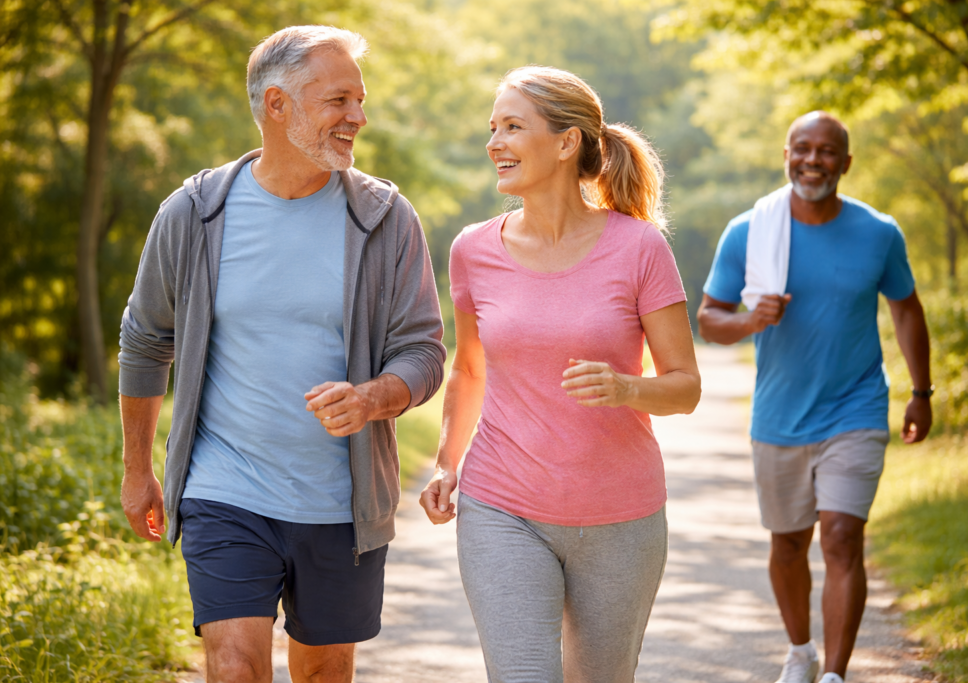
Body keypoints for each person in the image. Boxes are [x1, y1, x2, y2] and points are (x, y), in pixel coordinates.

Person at [118, 26, 445, 683]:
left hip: (339, 501)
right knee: (234, 665)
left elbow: (423, 349)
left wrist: (372, 396)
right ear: (277, 105)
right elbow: (147, 338)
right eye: (339, 100)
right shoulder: (194, 214)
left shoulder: (385, 219)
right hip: (225, 489)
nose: (358, 116)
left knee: (324, 670)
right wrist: (137, 468)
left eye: (360, 99)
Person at [419, 66, 702, 683]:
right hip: (502, 505)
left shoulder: (639, 248)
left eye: (513, 127)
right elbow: (468, 370)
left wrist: (628, 389)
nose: (495, 142)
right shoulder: (473, 250)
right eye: (492, 128)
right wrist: (447, 463)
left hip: (620, 514)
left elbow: (685, 386)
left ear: (567, 141)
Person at [697, 112, 933, 683]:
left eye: (827, 151)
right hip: (779, 414)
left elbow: (906, 309)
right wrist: (752, 319)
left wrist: (921, 391)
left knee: (842, 536)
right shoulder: (750, 231)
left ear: (846, 163)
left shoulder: (879, 233)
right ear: (786, 155)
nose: (813, 160)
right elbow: (708, 320)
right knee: (787, 545)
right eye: (802, 148)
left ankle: (833, 674)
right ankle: (799, 651)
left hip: (856, 407)